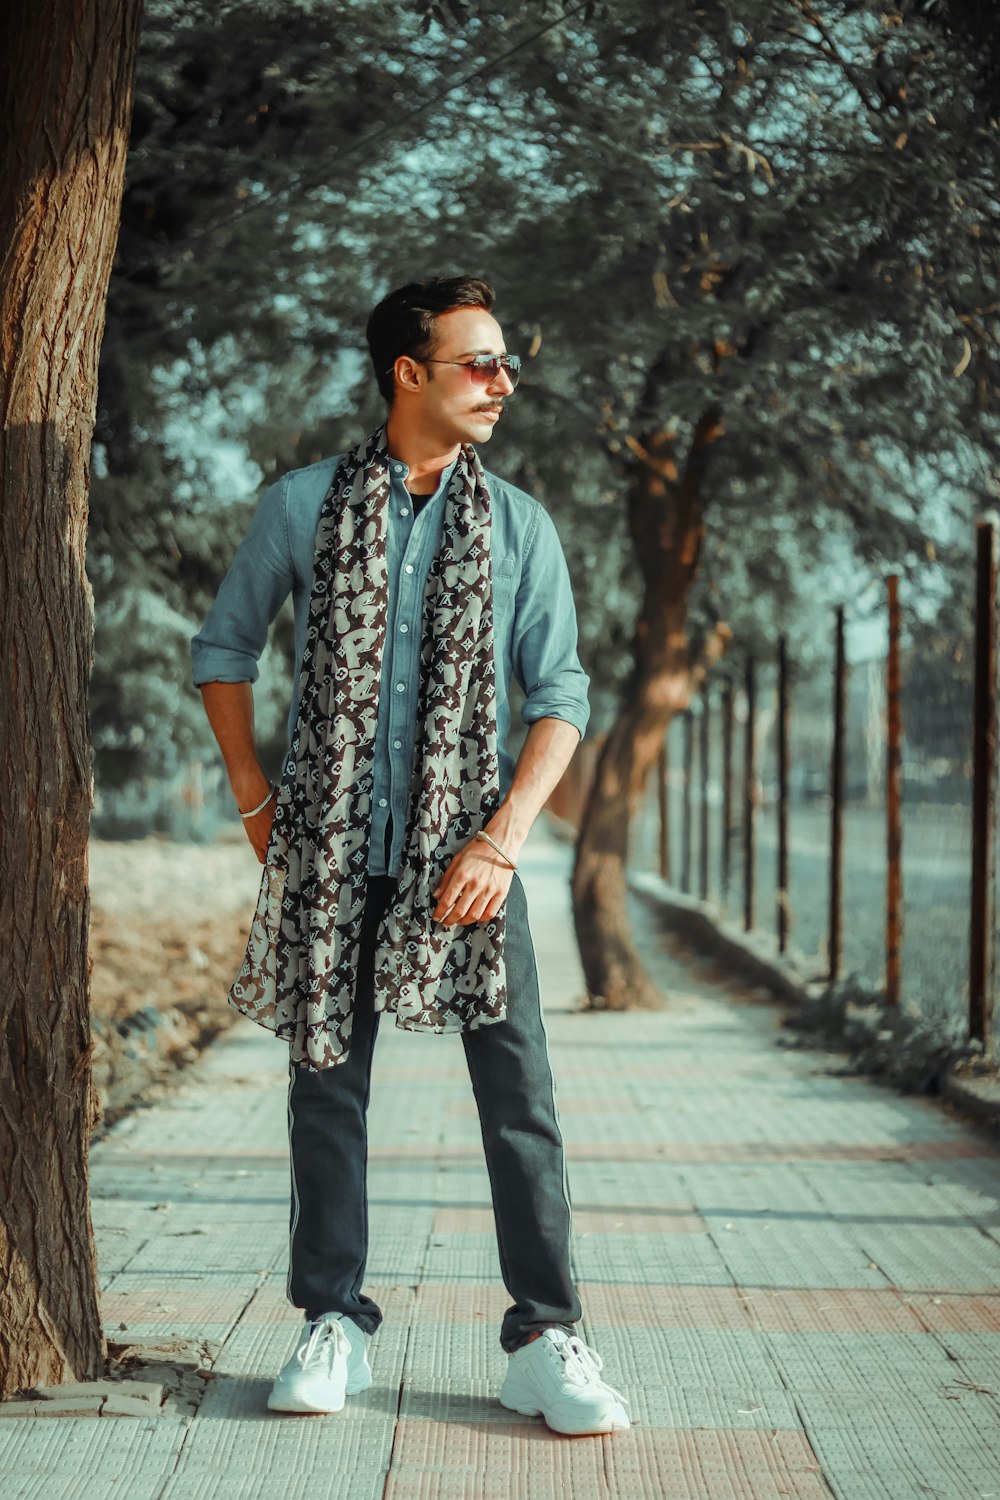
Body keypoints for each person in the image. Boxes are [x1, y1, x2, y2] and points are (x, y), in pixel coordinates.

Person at [191, 276, 629, 1437]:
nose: (502, 384)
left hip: (468, 861)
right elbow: (224, 649)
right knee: (324, 1089)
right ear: (409, 373)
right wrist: (254, 798)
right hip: (334, 855)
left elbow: (562, 693)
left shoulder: (521, 525)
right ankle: (331, 1320)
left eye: (506, 366)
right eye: (480, 364)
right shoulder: (299, 509)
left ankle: (546, 1338)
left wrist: (503, 836)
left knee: (519, 1102)